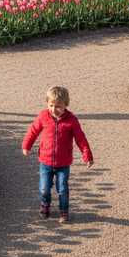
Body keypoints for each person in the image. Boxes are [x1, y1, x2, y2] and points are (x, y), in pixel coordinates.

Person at [21, 86, 93, 223]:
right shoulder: (43, 116)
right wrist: (26, 145)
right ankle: (45, 205)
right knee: (44, 188)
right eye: (51, 105)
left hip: (63, 163)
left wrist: (87, 156)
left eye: (58, 106)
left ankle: (64, 211)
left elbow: (80, 139)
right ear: (47, 104)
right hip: (45, 161)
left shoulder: (71, 120)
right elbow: (33, 131)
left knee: (63, 189)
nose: (54, 109)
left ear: (66, 105)